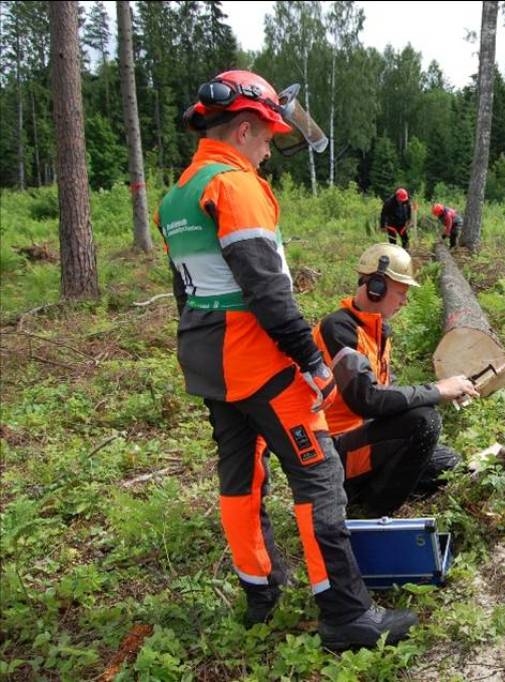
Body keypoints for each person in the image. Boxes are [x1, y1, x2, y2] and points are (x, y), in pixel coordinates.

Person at [156, 70, 416, 652]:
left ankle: (261, 593)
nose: (270, 149)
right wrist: (312, 361)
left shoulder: (178, 193)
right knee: (319, 475)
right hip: (260, 364)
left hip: (209, 363)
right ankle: (348, 616)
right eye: (268, 137)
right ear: (245, 128)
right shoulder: (236, 187)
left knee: (240, 478)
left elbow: (186, 291)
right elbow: (268, 292)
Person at [313, 243, 479, 517]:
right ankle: (370, 515)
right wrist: (436, 390)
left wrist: (444, 390)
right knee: (425, 422)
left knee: (449, 464)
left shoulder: (377, 331)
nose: (404, 301)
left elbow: (388, 395)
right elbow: (366, 400)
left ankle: (366, 491)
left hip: (361, 441)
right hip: (333, 452)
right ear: (375, 287)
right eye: (401, 292)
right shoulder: (339, 329)